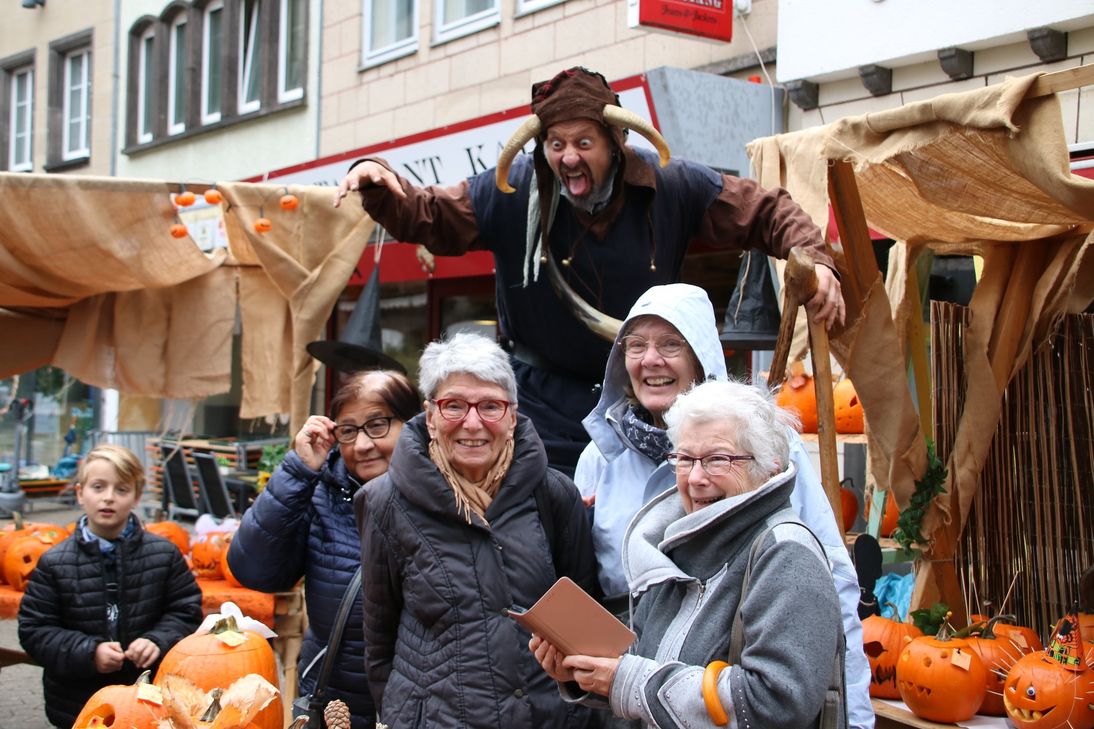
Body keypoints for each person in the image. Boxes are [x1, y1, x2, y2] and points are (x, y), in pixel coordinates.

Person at [333, 66, 845, 476]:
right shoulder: (507, 193)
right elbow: (429, 213)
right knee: (545, 531)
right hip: (539, 405)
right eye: (556, 145)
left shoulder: (672, 184)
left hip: (645, 396)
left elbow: (766, 210)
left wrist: (814, 261)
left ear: (615, 143)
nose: (568, 157)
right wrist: (378, 180)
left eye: (583, 143)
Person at [575, 283, 873, 729]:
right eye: (635, 345)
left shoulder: (773, 459)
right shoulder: (600, 458)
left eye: (671, 344)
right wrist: (581, 661)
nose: (650, 359)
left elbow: (829, 587)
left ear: (701, 357)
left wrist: (854, 716)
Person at [532, 379, 845, 729]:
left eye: (717, 460)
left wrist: (628, 681)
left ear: (767, 468)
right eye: (684, 459)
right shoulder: (677, 547)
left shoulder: (785, 555)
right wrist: (583, 669)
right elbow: (641, 673)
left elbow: (776, 702)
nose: (695, 477)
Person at [355, 332, 599, 729]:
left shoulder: (553, 495)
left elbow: (582, 623)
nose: (473, 423)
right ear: (430, 415)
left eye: (490, 406)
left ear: (513, 415)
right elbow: (379, 640)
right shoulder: (385, 501)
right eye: (453, 406)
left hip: (545, 718)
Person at [227, 370, 420, 729]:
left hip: (417, 708)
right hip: (332, 705)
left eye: (377, 424)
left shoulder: (445, 500)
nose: (362, 444)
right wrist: (299, 471)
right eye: (348, 430)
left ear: (414, 423)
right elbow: (253, 568)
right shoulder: (321, 494)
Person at [18, 444, 202, 728]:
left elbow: (186, 612)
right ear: (80, 493)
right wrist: (88, 652)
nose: (108, 498)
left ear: (137, 496)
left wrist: (159, 640)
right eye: (98, 487)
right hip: (78, 703)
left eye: (121, 489)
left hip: (152, 699)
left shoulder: (164, 555)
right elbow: (35, 631)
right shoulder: (54, 562)